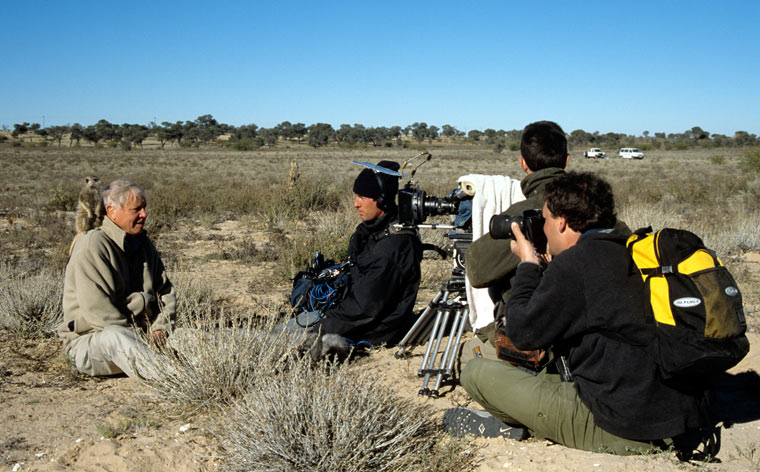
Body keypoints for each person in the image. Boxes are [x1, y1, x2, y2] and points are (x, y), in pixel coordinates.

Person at [448, 172, 712, 455]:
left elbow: (523, 333)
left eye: (546, 219)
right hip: (679, 413)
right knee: (547, 377)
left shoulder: (577, 264)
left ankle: (526, 427)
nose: (543, 227)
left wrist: (527, 265)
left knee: (476, 372)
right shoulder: (633, 249)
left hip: (622, 425)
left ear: (561, 223)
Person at [460, 121, 569, 367]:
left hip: (537, 344)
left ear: (523, 163)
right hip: (592, 341)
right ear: (567, 160)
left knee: (468, 360)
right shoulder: (594, 208)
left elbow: (477, 270)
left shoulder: (525, 213)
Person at [292, 160, 423, 348]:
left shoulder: (391, 248)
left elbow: (363, 308)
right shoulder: (375, 231)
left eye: (362, 197)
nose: (355, 204)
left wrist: (320, 327)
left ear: (382, 199)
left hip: (372, 330)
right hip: (351, 315)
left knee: (284, 336)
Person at [58, 178, 176, 378]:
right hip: (92, 341)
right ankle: (172, 378)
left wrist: (160, 328)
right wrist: (139, 335)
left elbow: (165, 292)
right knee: (116, 337)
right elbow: (100, 314)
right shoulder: (92, 246)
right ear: (112, 211)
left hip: (141, 333)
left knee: (186, 336)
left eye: (144, 208)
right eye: (136, 209)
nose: (144, 214)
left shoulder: (143, 243)